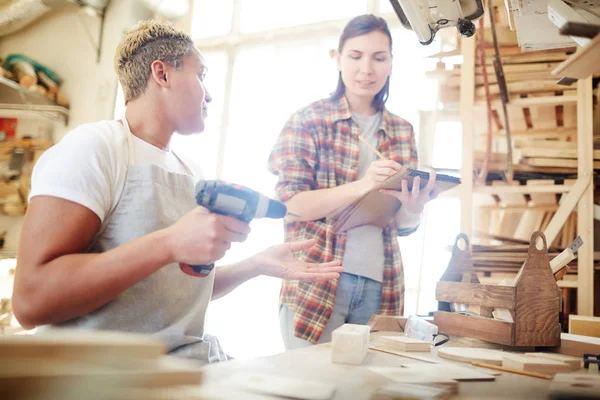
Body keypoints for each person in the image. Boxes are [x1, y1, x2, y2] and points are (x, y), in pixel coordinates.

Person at [12, 20, 342, 362]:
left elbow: (169, 292)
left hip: (180, 364)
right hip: (98, 375)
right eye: (201, 75)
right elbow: (30, 301)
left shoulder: (189, 173)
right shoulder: (95, 148)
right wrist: (169, 243)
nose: (209, 93)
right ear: (163, 74)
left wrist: (255, 265)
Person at [268, 14, 437, 349]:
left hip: (381, 284)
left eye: (379, 58)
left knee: (365, 390)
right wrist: (362, 185)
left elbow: (401, 226)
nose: (366, 70)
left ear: (391, 63)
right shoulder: (308, 121)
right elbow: (289, 206)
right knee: (313, 388)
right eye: (356, 56)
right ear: (337, 58)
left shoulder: (402, 130)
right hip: (317, 282)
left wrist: (414, 209)